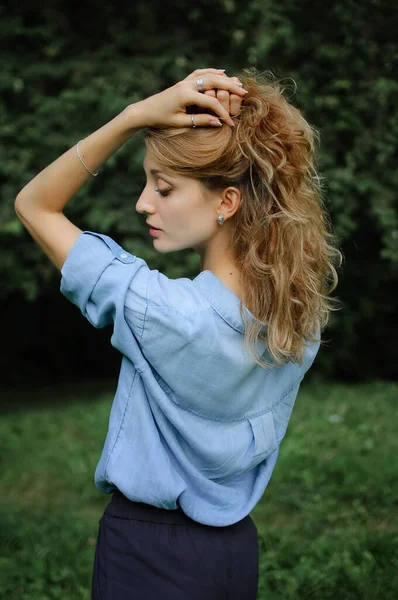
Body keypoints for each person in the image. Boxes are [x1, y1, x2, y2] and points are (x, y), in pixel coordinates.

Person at [15, 67, 342, 599]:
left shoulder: (161, 313)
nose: (144, 202)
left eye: (163, 187)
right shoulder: (298, 322)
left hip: (146, 555)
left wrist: (134, 116)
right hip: (236, 555)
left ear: (227, 202)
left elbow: (34, 205)